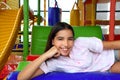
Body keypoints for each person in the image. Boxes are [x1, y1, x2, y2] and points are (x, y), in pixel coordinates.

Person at [17, 22, 120, 80]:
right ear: (53, 41)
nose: (66, 44)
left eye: (70, 39)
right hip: (108, 68)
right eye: (60, 39)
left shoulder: (81, 42)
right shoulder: (53, 63)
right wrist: (45, 55)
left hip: (112, 54)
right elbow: (21, 78)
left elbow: (112, 45)